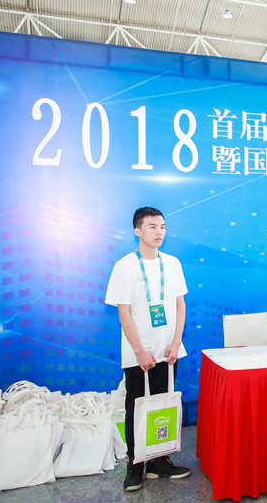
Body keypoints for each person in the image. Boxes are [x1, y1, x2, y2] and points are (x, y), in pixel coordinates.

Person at [105, 206, 191, 492]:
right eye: (152, 227)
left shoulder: (172, 264)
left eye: (162, 227)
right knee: (136, 406)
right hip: (138, 352)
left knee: (162, 405)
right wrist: (140, 351)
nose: (159, 232)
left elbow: (180, 304)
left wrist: (176, 342)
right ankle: (134, 463)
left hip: (168, 350)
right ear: (137, 231)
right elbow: (124, 313)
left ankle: (157, 460)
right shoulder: (125, 266)